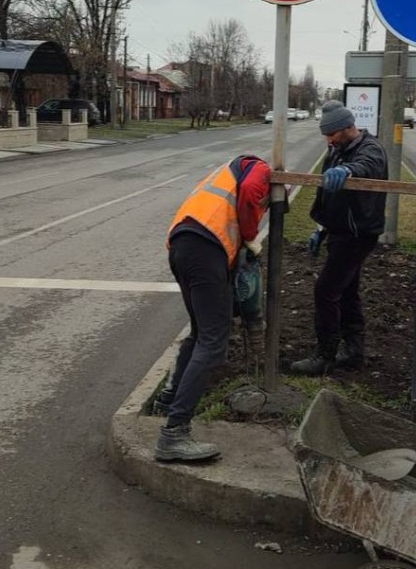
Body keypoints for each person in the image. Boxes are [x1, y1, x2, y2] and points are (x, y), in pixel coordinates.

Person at [154, 154, 271, 463]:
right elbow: (249, 196)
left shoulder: (225, 173)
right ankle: (174, 434)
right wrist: (250, 238)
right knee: (213, 341)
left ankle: (169, 400)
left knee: (199, 333)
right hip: (205, 249)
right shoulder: (260, 168)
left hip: (183, 246)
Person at [291, 101, 388, 376]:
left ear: (348, 127)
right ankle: (354, 352)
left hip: (358, 233)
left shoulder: (370, 148)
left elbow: (368, 165)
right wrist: (321, 228)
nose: (329, 139)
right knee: (346, 292)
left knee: (326, 291)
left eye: (332, 133)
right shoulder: (335, 151)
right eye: (326, 134)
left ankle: (325, 354)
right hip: (339, 231)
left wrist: (348, 171)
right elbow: (327, 194)